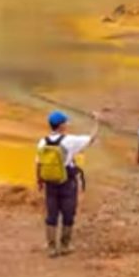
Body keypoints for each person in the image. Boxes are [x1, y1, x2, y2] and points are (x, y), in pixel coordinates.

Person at [36, 110, 101, 257]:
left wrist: (39, 180)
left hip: (50, 181)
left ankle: (51, 247)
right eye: (66, 122)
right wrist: (97, 121)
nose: (67, 125)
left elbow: (38, 164)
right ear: (61, 125)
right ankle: (65, 245)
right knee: (68, 213)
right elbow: (92, 138)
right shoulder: (70, 141)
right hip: (66, 182)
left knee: (51, 214)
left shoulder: (42, 142)